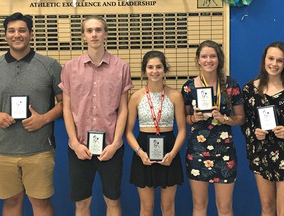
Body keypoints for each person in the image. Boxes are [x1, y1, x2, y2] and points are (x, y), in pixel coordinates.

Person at [59, 15, 132, 216]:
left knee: (113, 201)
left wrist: (116, 142)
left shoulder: (121, 67)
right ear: (83, 36)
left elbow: (123, 109)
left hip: (111, 146)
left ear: (105, 34)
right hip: (79, 147)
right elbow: (66, 109)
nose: (94, 34)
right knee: (82, 203)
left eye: (98, 30)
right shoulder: (70, 68)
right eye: (89, 30)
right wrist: (74, 142)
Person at [0, 12, 63, 216]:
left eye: (22, 30)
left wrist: (43, 119)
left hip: (39, 150)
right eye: (12, 31)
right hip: (2, 150)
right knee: (11, 202)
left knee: (40, 203)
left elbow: (64, 104)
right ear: (5, 35)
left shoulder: (50, 66)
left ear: (31, 34)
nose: (17, 35)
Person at [181, 40, 245, 216]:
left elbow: (240, 118)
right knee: (199, 206)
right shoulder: (188, 87)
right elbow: (184, 118)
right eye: (204, 56)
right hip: (197, 151)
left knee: (224, 208)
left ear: (219, 59)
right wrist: (193, 118)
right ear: (198, 60)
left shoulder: (231, 86)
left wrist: (224, 119)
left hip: (224, 151)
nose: (208, 60)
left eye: (212, 56)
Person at [125, 50, 186, 216]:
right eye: (150, 67)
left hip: (169, 149)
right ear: (145, 70)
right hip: (143, 150)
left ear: (164, 69)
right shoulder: (136, 97)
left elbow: (182, 130)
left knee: (167, 207)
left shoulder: (175, 96)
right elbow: (128, 132)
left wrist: (173, 154)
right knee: (147, 208)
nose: (154, 71)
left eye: (159, 67)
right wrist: (139, 152)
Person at [241, 41, 284, 216]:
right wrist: (254, 133)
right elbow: (245, 122)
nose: (274, 64)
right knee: (267, 207)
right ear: (264, 59)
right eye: (271, 58)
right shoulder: (250, 89)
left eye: (280, 60)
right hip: (261, 153)